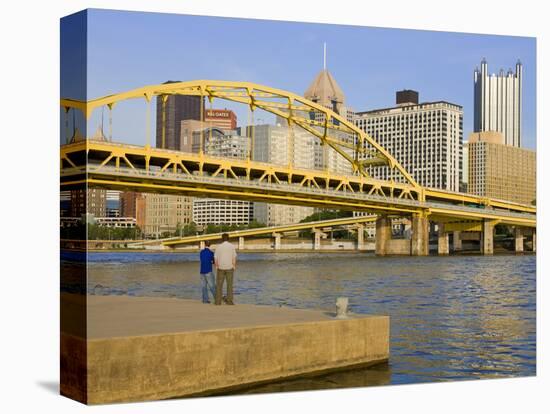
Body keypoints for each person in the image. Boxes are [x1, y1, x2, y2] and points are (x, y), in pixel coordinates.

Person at [214, 233, 237, 305]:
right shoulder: (232, 246)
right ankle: (229, 301)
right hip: (229, 267)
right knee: (229, 285)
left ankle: (218, 301)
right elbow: (234, 257)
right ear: (228, 238)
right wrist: (234, 265)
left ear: (222, 239)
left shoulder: (218, 247)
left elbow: (215, 257)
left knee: (219, 285)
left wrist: (216, 266)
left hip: (220, 267)